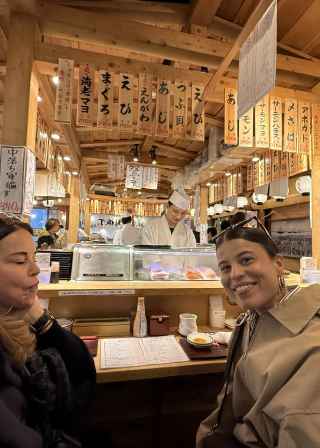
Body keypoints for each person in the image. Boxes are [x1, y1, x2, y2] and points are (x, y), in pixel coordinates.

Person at [197, 219, 320, 448]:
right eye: (225, 267)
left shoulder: (311, 344)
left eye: (246, 260)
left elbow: (301, 432)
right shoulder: (251, 319)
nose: (235, 274)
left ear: (278, 264)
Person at [0, 214, 96, 447]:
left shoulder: (18, 320)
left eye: (34, 258)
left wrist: (37, 314)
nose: (35, 269)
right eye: (20, 261)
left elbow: (82, 368)